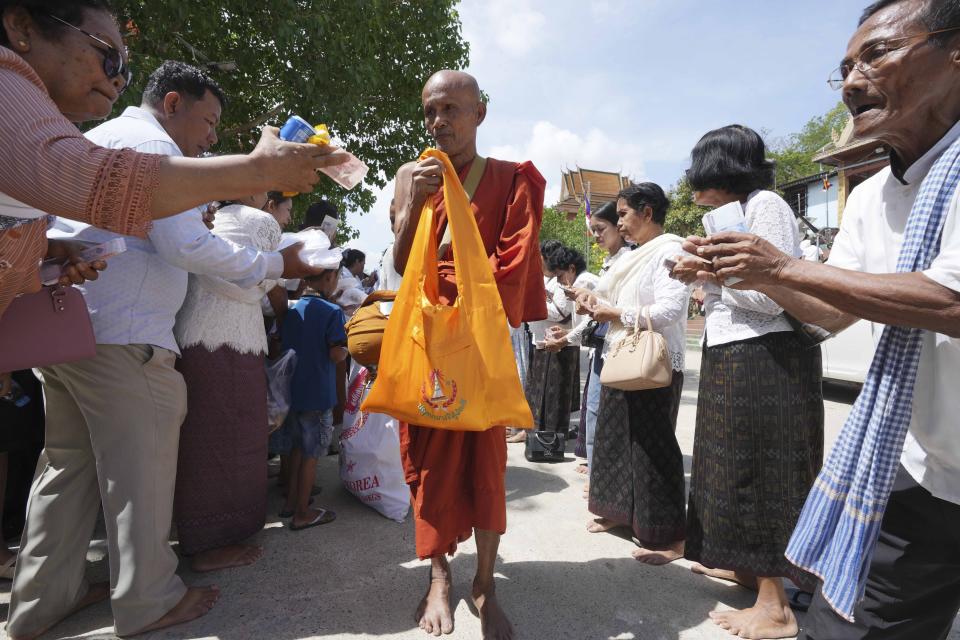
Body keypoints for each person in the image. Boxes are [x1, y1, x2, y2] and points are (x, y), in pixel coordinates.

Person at [5, 55, 340, 639]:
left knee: (66, 471)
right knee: (142, 474)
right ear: (172, 104)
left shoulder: (95, 137)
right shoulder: (154, 150)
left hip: (68, 334)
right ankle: (148, 599)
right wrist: (275, 263)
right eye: (208, 123)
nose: (211, 138)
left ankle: (43, 600)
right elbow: (189, 248)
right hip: (127, 341)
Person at [683, 1, 960, 637]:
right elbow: (829, 314)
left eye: (878, 54)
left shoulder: (768, 206)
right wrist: (738, 273)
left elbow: (949, 300)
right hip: (913, 462)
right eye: (844, 67)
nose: (853, 81)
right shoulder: (871, 194)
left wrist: (778, 271)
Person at [0, 1, 345, 322]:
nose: (118, 78)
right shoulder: (7, 84)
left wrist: (50, 251)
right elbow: (100, 182)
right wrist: (259, 170)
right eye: (107, 55)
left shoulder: (42, 130)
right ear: (22, 28)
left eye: (125, 71)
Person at [391, 69, 546, 640]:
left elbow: (515, 266)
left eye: (452, 109)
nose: (440, 122)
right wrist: (419, 203)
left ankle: (485, 582)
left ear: (480, 113)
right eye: (431, 111)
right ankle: (438, 579)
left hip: (477, 343)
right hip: (427, 341)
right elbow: (402, 258)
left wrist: (469, 309)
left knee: (486, 464)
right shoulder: (413, 174)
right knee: (428, 463)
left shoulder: (510, 179)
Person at [670, 125, 824, 640]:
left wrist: (709, 271)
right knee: (727, 466)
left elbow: (772, 296)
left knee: (764, 472)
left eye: (701, 173)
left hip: (767, 356)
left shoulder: (767, 206)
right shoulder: (731, 216)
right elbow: (728, 291)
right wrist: (701, 270)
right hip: (732, 351)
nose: (694, 187)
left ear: (724, 169)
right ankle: (745, 569)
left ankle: (776, 605)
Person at [568, 184, 690, 565]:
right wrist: (591, 301)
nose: (618, 222)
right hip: (621, 356)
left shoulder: (670, 250)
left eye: (623, 214)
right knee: (615, 439)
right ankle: (619, 515)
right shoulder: (632, 257)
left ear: (647, 213)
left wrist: (616, 314)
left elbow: (670, 308)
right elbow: (606, 295)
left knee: (652, 448)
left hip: (653, 362)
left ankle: (669, 537)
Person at [172, 191, 282, 564]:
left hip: (192, 337)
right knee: (229, 440)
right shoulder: (258, 221)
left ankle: (199, 534)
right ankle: (213, 543)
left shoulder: (204, 216)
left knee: (203, 439)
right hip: (231, 343)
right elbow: (248, 285)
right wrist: (280, 268)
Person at [545, 201, 629, 480]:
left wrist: (586, 308)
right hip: (600, 347)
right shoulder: (609, 264)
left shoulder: (627, 262)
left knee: (601, 412)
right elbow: (593, 316)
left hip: (619, 348)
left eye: (601, 229)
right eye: (593, 230)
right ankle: (596, 471)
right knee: (593, 410)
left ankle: (599, 473)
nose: (596, 236)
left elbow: (604, 312)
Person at [278, 268, 348, 529]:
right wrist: (348, 346)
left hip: (292, 392)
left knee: (296, 449)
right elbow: (336, 355)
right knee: (312, 455)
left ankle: (290, 504)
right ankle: (303, 513)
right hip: (318, 394)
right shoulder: (332, 312)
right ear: (329, 278)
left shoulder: (292, 309)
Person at [519, 245, 595, 445]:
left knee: (555, 399)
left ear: (571, 268)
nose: (559, 281)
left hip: (563, 345)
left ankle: (552, 443)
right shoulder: (572, 281)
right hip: (554, 339)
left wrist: (535, 302)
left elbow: (569, 316)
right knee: (541, 395)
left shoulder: (585, 282)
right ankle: (542, 440)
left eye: (560, 276)